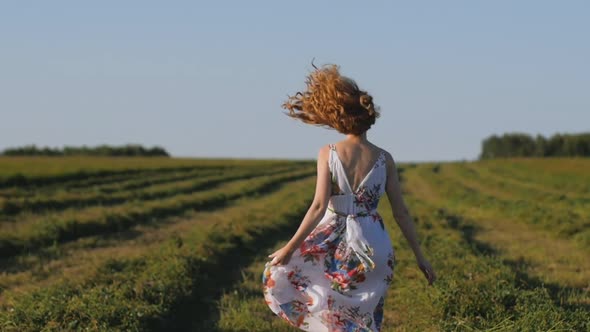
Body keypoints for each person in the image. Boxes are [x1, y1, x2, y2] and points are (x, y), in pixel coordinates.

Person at [262, 63, 436, 331]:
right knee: (366, 316)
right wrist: (420, 256)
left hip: (335, 242)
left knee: (330, 311)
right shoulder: (384, 158)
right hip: (373, 244)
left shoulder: (328, 153)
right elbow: (401, 212)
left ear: (340, 118)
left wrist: (290, 247)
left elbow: (319, 206)